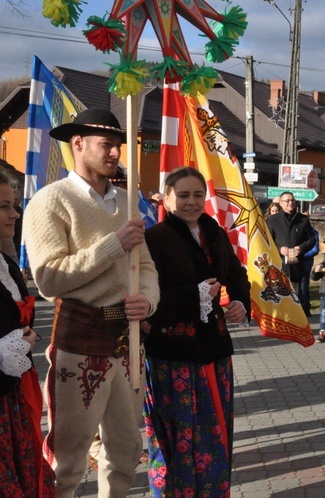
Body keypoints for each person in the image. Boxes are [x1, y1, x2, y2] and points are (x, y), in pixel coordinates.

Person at [23, 108, 160, 497]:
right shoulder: (50, 202)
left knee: (126, 451)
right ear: (77, 144)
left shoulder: (127, 201)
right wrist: (115, 244)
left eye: (118, 146)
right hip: (79, 339)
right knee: (68, 460)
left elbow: (146, 266)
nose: (115, 153)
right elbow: (48, 278)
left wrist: (147, 301)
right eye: (107, 145)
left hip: (127, 337)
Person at [142, 167, 250, 495]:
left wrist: (240, 303)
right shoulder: (154, 238)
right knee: (178, 437)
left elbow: (237, 274)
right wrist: (198, 294)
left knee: (214, 433)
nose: (192, 202)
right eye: (184, 195)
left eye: (198, 195)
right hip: (173, 356)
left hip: (214, 351)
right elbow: (150, 301)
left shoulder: (214, 232)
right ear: (166, 197)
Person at [0, 170, 55, 497]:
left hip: (15, 396)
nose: (15, 215)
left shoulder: (5, 264)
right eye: (4, 207)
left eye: (14, 205)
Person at [266, 191, 316, 302]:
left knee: (295, 298)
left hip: (296, 265)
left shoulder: (303, 219)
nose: (290, 203)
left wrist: (300, 248)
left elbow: (311, 239)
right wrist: (279, 249)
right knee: (279, 298)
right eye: (287, 201)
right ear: (281, 203)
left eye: (292, 200)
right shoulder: (273, 220)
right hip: (278, 265)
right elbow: (267, 240)